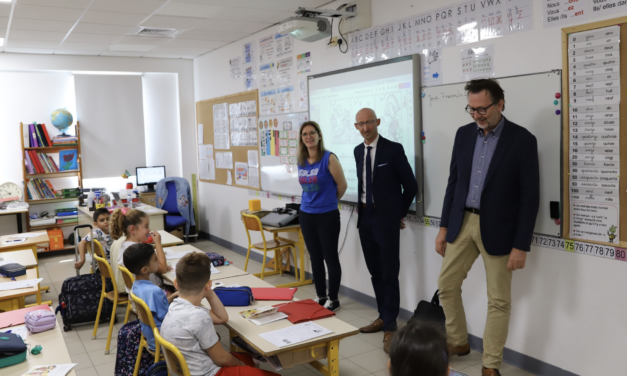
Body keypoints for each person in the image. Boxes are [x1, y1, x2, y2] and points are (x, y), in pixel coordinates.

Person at [436, 78, 539, 376]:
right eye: (472, 108)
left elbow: (530, 197)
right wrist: (444, 227)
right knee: (447, 285)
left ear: (500, 104)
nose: (477, 114)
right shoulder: (463, 135)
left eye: (483, 108)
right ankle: (458, 341)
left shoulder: (522, 140)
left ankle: (490, 363)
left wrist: (521, 245)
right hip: (462, 222)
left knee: (499, 300)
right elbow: (453, 183)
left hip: (500, 230)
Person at [353, 107, 418, 353]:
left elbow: (410, 186)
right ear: (356, 126)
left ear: (378, 122)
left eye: (369, 123)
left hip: (386, 219)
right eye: (361, 124)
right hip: (366, 218)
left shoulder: (393, 149)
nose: (366, 128)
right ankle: (383, 315)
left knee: (390, 272)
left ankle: (390, 325)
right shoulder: (358, 151)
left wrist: (397, 213)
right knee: (375, 271)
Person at [160, 253, 279, 376]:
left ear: (176, 283)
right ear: (208, 284)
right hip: (207, 373)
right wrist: (241, 366)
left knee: (247, 358)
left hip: (187, 370)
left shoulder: (176, 306)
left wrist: (209, 293)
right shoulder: (199, 317)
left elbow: (222, 318)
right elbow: (221, 359)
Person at [297, 121, 348, 312]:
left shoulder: (329, 158)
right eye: (304, 134)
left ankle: (333, 299)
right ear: (302, 139)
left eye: (312, 133)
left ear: (319, 135)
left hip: (327, 216)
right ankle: (320, 295)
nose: (308, 137)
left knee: (330, 257)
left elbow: (342, 186)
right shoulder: (301, 159)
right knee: (315, 258)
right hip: (306, 215)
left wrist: (328, 203)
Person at [124, 243, 178, 352]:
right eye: (155, 259)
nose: (158, 261)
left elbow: (155, 309)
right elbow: (168, 318)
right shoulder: (154, 291)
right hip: (162, 342)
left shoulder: (136, 286)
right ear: (144, 270)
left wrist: (173, 296)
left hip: (151, 337)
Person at [109, 208, 171, 295]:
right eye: (146, 226)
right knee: (183, 293)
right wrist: (158, 242)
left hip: (137, 295)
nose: (149, 230)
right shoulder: (138, 251)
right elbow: (163, 268)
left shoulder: (124, 245)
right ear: (133, 229)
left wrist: (158, 264)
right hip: (151, 294)